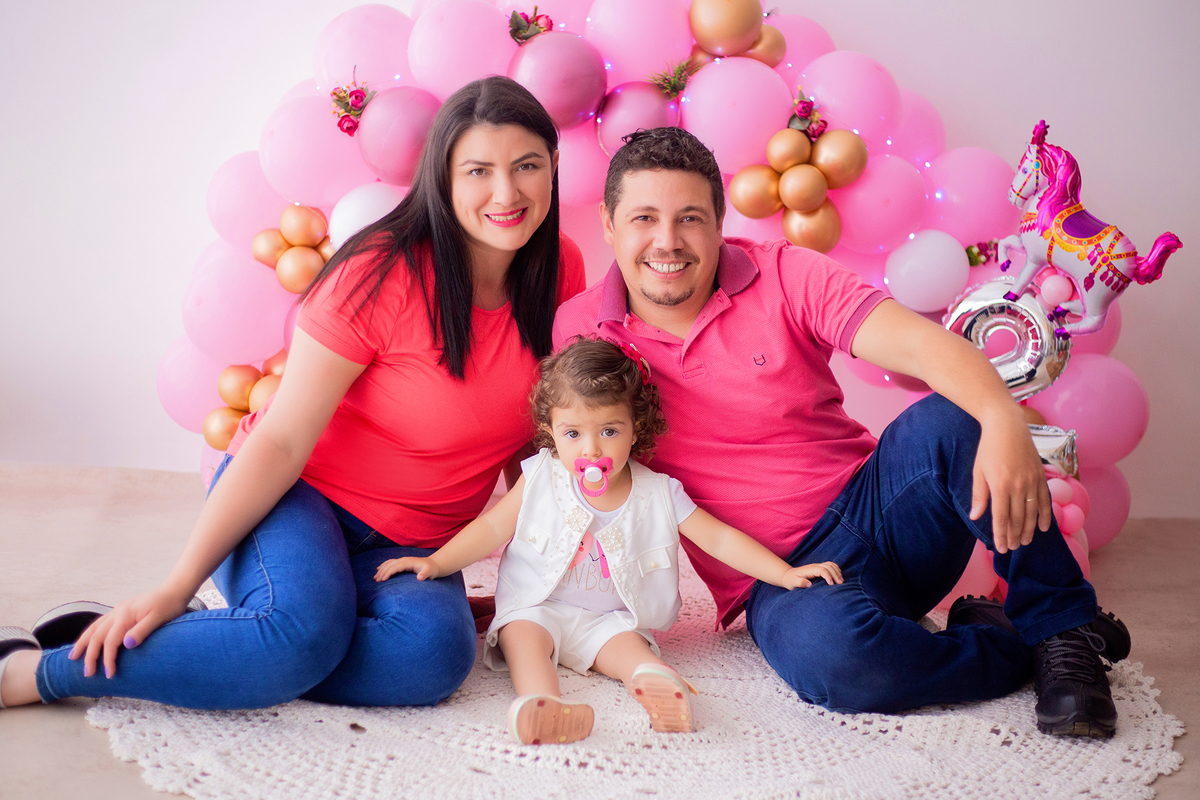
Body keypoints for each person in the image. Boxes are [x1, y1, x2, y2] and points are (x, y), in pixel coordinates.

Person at [0, 76, 586, 712]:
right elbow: (280, 440)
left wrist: (524, 580)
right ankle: (33, 671)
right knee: (299, 638)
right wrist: (176, 585)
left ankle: (235, 638)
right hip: (294, 499)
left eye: (527, 166)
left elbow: (533, 447)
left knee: (431, 658)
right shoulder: (379, 273)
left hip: (413, 545)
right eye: (478, 170)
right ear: (442, 177)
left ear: (554, 166)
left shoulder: (561, 271)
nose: (506, 193)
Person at [550, 127, 1130, 738]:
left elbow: (925, 348)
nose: (667, 241)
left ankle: (1064, 635)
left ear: (720, 223)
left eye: (690, 217)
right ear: (610, 226)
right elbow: (578, 465)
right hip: (779, 576)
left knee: (958, 419)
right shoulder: (584, 331)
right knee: (842, 667)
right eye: (644, 218)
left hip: (882, 511)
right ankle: (1015, 643)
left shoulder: (785, 274)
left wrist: (1005, 418)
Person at [373, 336, 843, 744]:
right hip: (538, 603)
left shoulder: (659, 492)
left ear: (635, 429)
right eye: (573, 433)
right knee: (522, 638)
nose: (591, 450)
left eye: (609, 431)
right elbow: (493, 528)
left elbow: (718, 539)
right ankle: (543, 703)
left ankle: (657, 684)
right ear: (551, 432)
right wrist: (438, 563)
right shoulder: (540, 476)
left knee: (628, 649)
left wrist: (784, 572)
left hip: (612, 618)